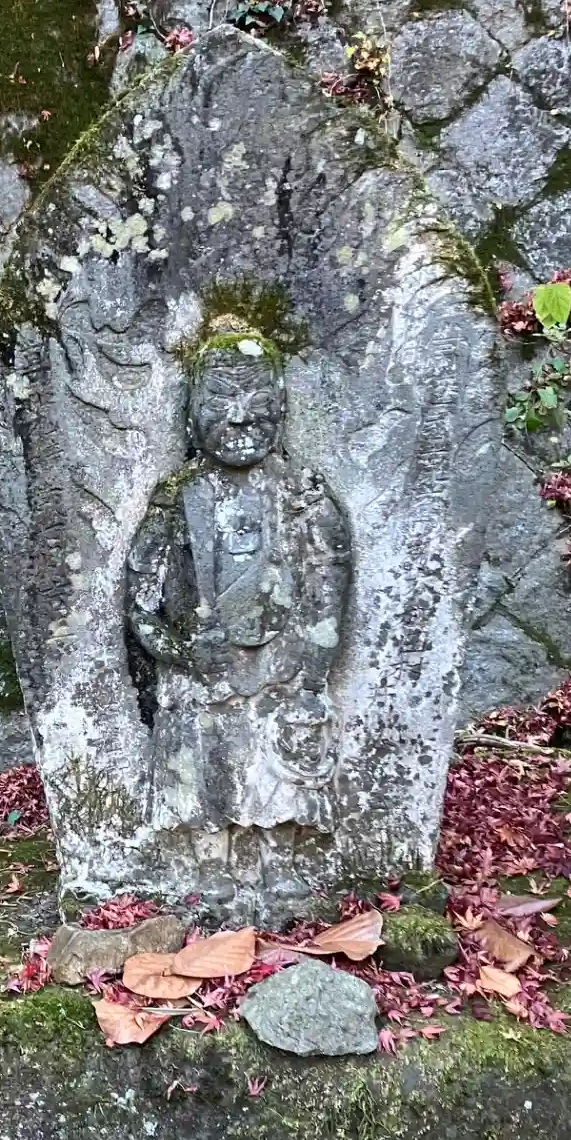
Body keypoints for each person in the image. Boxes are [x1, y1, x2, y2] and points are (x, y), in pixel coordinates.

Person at [125, 332, 350, 835]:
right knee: (203, 804)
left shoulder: (303, 497)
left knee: (284, 804)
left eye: (258, 400)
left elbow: (328, 593)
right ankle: (203, 860)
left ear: (282, 406)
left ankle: (283, 855)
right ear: (190, 414)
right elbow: (139, 605)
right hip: (200, 685)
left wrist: (312, 678)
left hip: (285, 682)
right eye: (220, 400)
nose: (241, 417)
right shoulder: (176, 499)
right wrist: (184, 653)